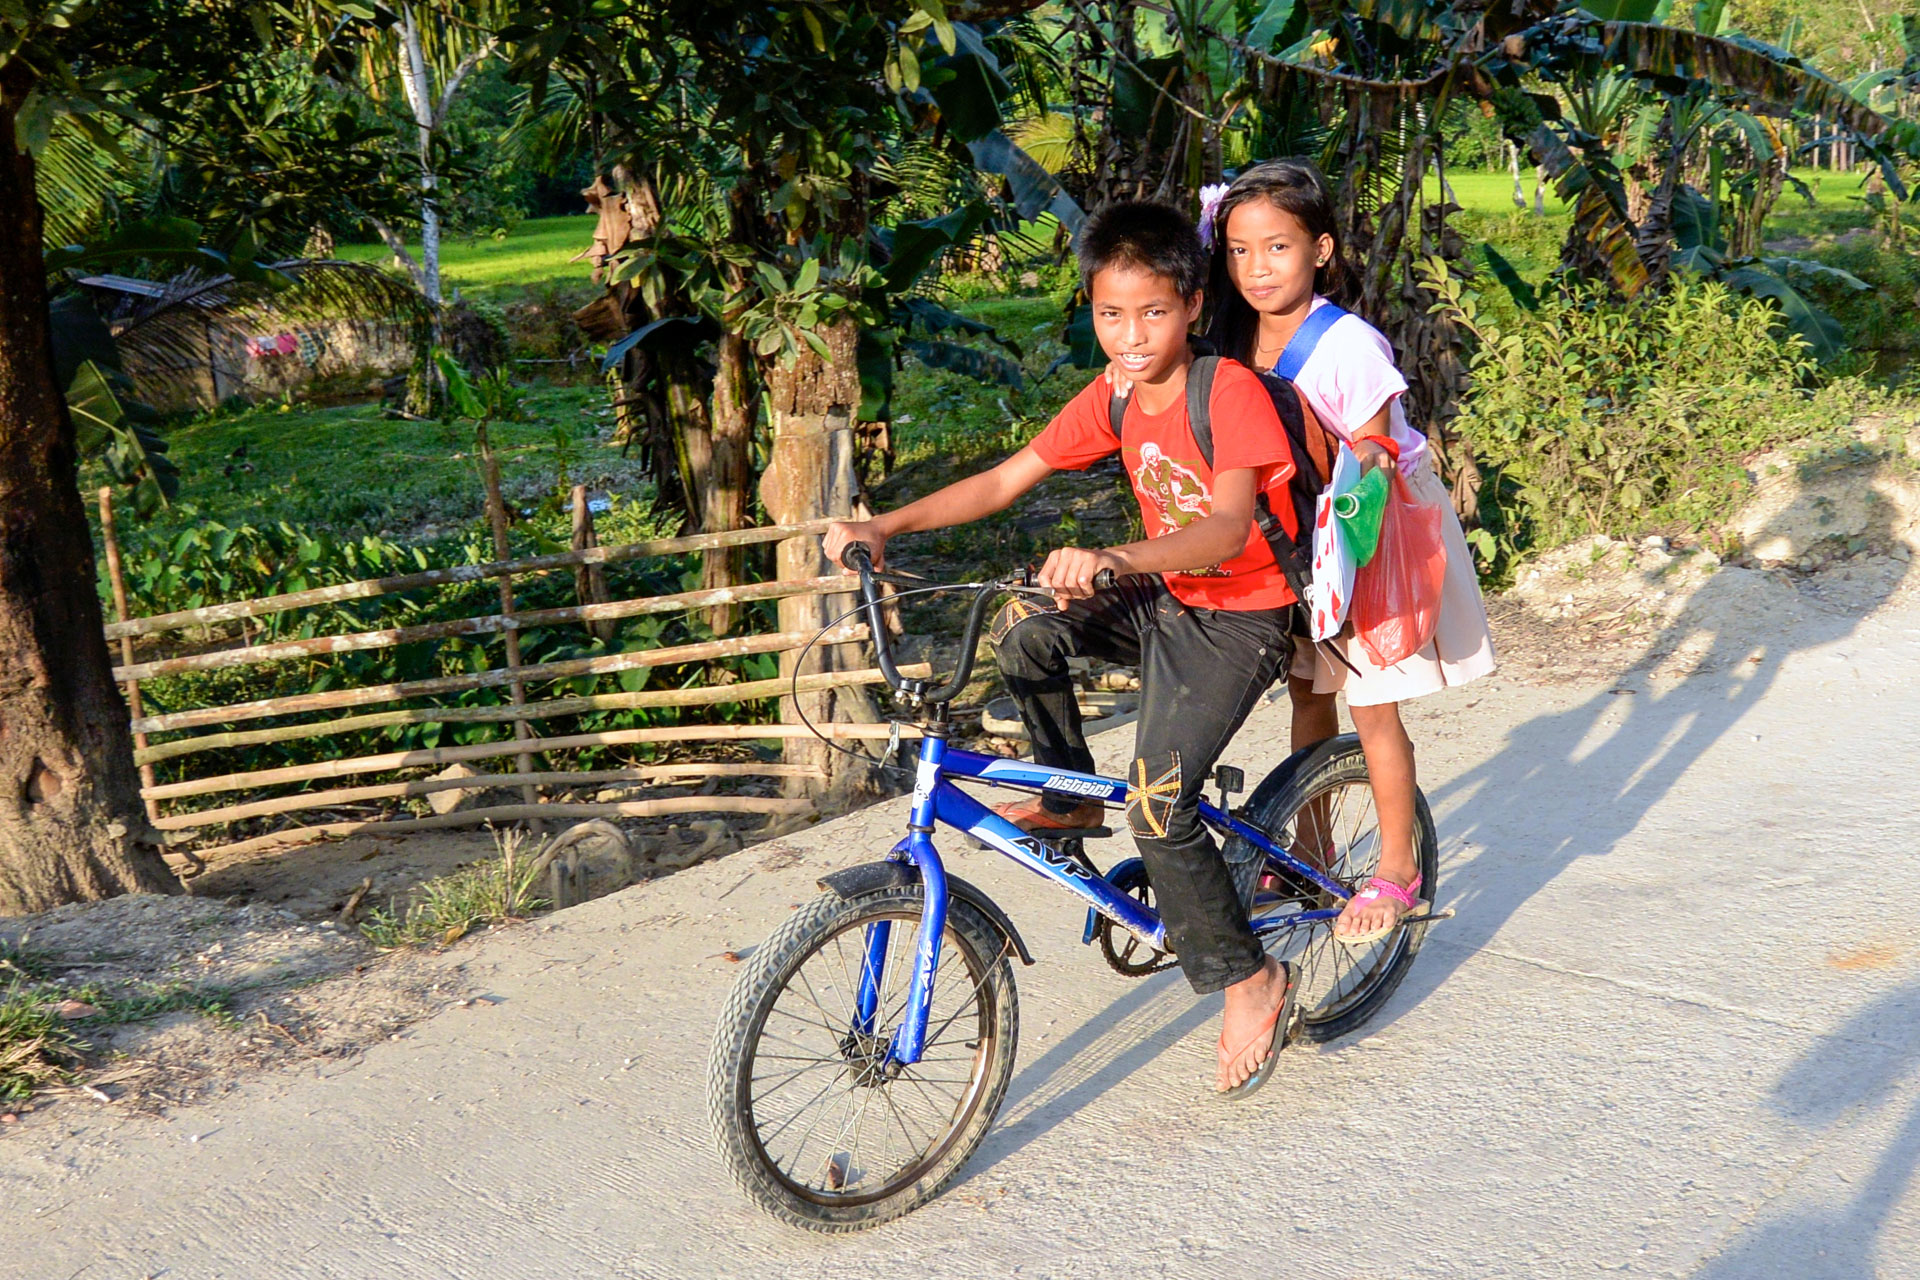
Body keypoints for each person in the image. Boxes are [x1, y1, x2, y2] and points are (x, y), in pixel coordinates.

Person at [824, 200, 1303, 1099]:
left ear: (1193, 305)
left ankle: (1251, 978)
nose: (1130, 334)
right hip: (1165, 595)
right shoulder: (1115, 394)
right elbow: (1010, 478)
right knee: (1027, 629)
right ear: (1090, 307)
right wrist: (884, 522)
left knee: (1161, 808)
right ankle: (1066, 792)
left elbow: (1231, 527)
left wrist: (1115, 557)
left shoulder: (1225, 391)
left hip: (1240, 614)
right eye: (1110, 313)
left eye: (1153, 312)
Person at [1116, 158, 1497, 947]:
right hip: (1300, 536)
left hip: (1369, 531)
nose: (1258, 268)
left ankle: (1397, 867)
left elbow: (1375, 446)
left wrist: (1370, 468)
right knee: (1306, 693)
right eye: (1241, 250)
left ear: (1320, 250)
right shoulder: (1226, 337)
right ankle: (1313, 845)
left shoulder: (1348, 344)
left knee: (1371, 702)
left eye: (1278, 248)